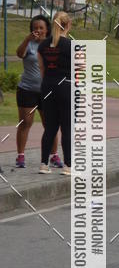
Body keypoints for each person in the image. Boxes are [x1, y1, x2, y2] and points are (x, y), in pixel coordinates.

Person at [15, 14, 62, 169]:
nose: (38, 30)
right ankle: (20, 156)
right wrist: (27, 39)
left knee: (50, 125)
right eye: (35, 28)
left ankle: (54, 155)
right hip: (27, 90)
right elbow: (19, 54)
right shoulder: (29, 44)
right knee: (25, 123)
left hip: (47, 91)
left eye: (41, 28)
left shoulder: (52, 44)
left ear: (47, 29)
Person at [37, 11, 72, 176]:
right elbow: (79, 71)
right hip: (66, 87)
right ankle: (68, 166)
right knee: (66, 127)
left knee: (50, 127)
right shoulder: (71, 45)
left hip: (48, 87)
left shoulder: (42, 46)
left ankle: (44, 164)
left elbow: (42, 69)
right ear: (68, 25)